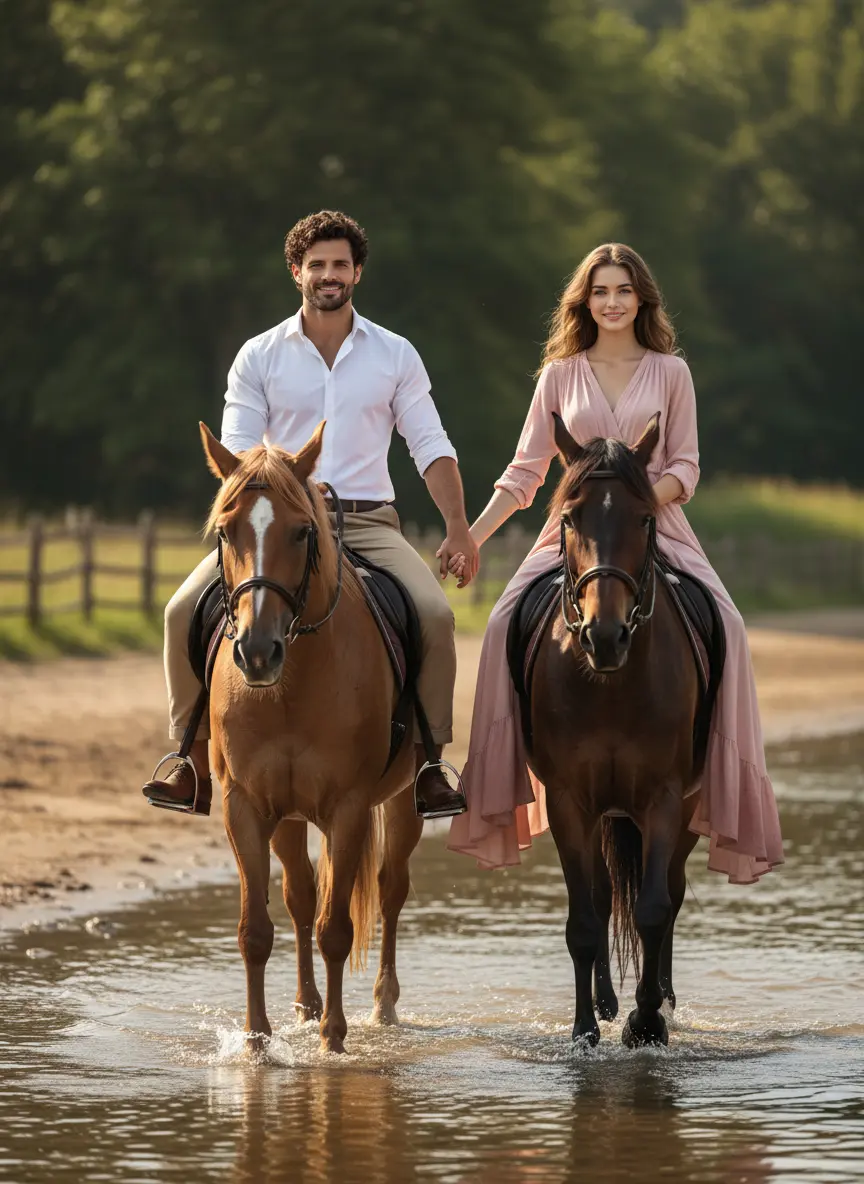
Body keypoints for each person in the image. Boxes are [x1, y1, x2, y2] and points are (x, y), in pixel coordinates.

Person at [446, 243, 783, 884]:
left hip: (653, 526)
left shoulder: (670, 372)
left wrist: (629, 505)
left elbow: (685, 467)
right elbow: (525, 473)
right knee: (498, 625)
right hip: (571, 535)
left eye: (623, 291)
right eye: (600, 291)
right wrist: (473, 535)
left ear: (641, 299)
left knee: (731, 627)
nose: (612, 302)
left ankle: (709, 770)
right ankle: (508, 770)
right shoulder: (558, 376)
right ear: (585, 301)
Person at [142, 209, 479, 819]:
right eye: (317, 265)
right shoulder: (258, 355)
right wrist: (287, 493)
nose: (330, 275)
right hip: (279, 523)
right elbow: (242, 452)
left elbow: (430, 445)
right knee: (179, 611)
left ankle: (431, 762)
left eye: (341, 265)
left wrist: (457, 525)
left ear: (358, 274)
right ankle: (189, 760)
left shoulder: (396, 355)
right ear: (297, 271)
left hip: (369, 523)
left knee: (433, 615)